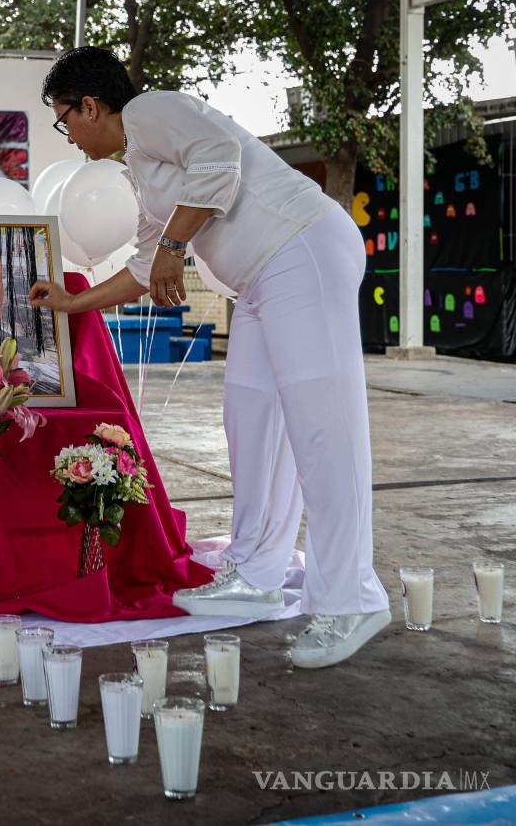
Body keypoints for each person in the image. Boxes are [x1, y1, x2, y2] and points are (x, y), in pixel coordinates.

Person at [28, 47, 391, 669]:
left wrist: (174, 243)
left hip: (300, 250)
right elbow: (145, 266)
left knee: (322, 429)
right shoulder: (139, 166)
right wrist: (72, 302)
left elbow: (218, 160)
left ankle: (352, 597)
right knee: (251, 422)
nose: (70, 135)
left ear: (90, 105)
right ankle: (255, 570)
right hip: (257, 282)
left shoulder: (153, 111)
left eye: (65, 119)